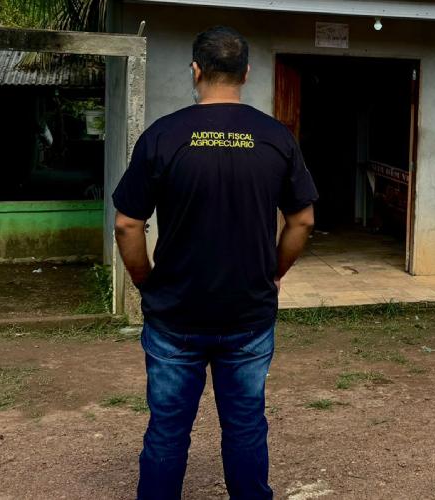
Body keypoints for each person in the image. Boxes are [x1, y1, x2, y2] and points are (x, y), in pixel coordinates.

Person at [112, 26, 318, 499]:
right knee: (245, 426)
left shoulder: (163, 135)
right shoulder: (275, 137)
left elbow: (127, 224)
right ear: (245, 73)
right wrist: (274, 272)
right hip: (248, 314)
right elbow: (302, 220)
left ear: (195, 70)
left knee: (167, 430)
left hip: (174, 314)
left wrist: (146, 281)